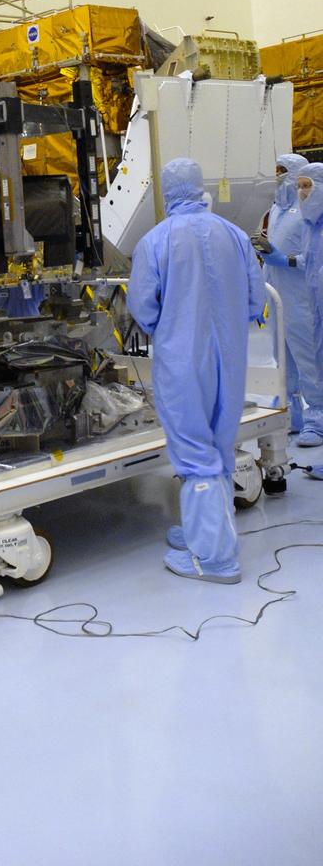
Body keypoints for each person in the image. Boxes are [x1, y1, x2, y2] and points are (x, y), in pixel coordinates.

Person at [127, 158, 266, 583]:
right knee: (219, 442)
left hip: (183, 358)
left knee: (193, 448)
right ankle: (204, 530)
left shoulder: (156, 241)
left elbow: (142, 306)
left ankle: (214, 558)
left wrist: (167, 328)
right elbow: (255, 297)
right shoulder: (236, 235)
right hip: (231, 354)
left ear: (166, 191)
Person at [257, 154, 323, 446]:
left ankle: (317, 418)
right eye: (276, 170)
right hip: (277, 297)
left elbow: (312, 257)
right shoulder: (276, 208)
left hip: (301, 299)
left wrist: (287, 260)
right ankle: (291, 414)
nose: (278, 175)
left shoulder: (309, 210)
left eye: (284, 171)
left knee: (308, 359)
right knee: (282, 357)